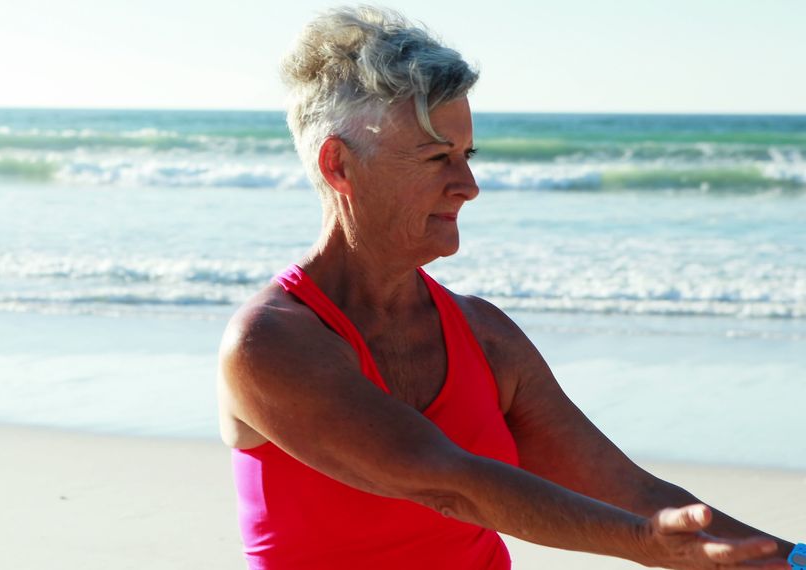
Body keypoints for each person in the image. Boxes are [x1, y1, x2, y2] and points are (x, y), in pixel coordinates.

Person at [215, 6, 799, 570]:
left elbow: (630, 491)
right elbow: (448, 484)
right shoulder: (269, 345)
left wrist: (792, 559)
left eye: (466, 154)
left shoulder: (484, 335)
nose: (467, 185)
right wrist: (642, 544)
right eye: (437, 157)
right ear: (339, 164)